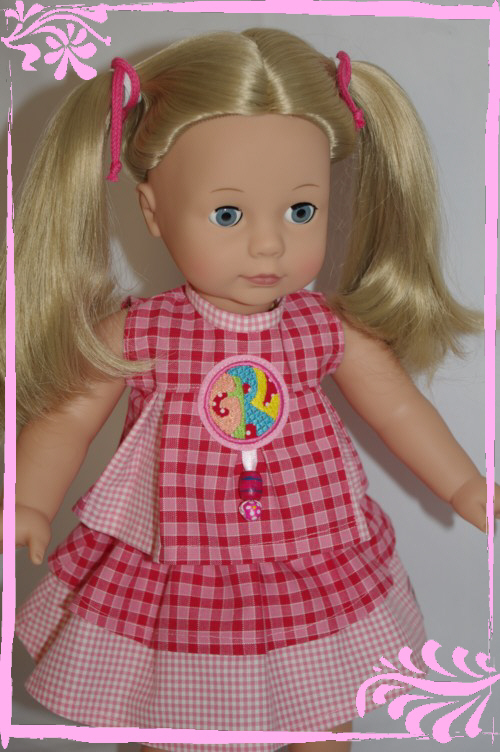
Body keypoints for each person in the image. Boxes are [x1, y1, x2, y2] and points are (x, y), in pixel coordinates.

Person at [3, 28, 498, 752]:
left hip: (309, 551)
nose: (268, 245)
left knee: (321, 708)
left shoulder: (322, 326)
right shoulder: (141, 331)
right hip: (180, 559)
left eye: (301, 212)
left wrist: (463, 484)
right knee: (169, 712)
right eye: (228, 215)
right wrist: (30, 501)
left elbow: (396, 406)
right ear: (152, 212)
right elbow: (68, 418)